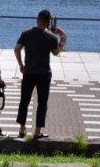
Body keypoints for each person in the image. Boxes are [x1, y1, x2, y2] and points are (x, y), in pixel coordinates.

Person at [14, 9, 67, 139]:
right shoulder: (52, 37)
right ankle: (37, 132)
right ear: (49, 22)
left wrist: (21, 65)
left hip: (28, 72)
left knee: (24, 101)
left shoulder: (26, 33)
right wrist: (62, 40)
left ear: (37, 19)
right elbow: (56, 53)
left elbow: (17, 49)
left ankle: (22, 129)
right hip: (44, 73)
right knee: (42, 103)